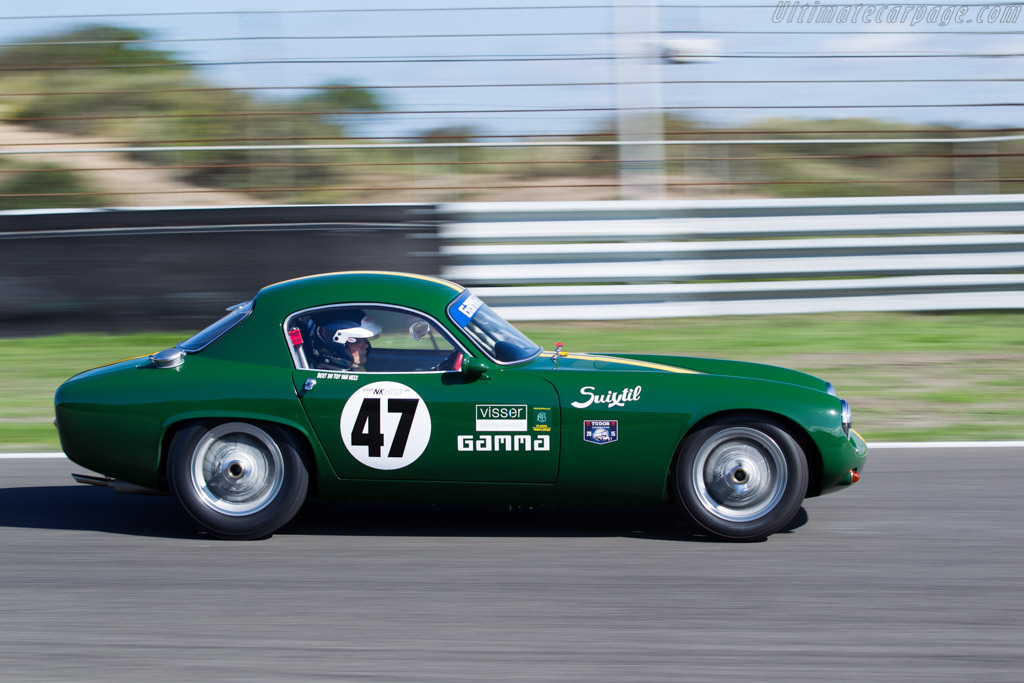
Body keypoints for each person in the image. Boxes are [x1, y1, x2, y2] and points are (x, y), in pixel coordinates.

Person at [312, 309, 381, 371]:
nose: (366, 345)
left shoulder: (357, 369)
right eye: (356, 341)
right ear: (337, 345)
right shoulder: (329, 380)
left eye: (364, 339)